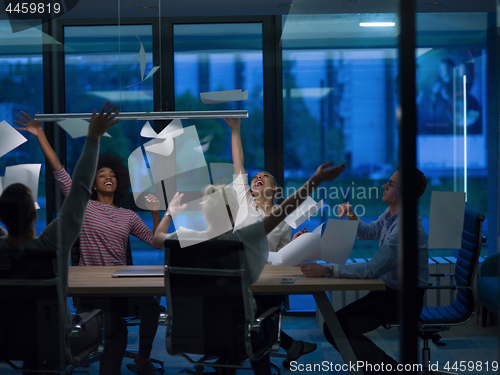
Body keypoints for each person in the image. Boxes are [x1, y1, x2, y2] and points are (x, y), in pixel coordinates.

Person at [153, 161, 346, 375]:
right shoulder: (244, 240)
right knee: (252, 329)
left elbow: (158, 238)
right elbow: (286, 209)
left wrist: (170, 213)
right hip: (243, 328)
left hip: (194, 329)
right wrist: (316, 179)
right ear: (235, 214)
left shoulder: (188, 237)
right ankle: (284, 348)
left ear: (204, 213)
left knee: (243, 323)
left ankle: (230, 366)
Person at [15, 112, 162, 375]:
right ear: (92, 185)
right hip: (91, 286)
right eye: (101, 174)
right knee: (115, 323)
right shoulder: (82, 206)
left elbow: (155, 242)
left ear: (118, 182)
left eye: (112, 175)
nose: (108, 177)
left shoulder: (127, 215)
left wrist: (154, 213)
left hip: (121, 286)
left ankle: (142, 359)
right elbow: (60, 171)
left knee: (152, 306)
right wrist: (41, 136)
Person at [0, 102, 126, 374]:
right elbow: (80, 188)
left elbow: (79, 188)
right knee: (116, 325)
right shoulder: (50, 246)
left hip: (6, 340)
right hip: (56, 339)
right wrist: (93, 137)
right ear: (35, 216)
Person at [300, 167, 429, 374]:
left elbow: (372, 269)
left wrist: (326, 271)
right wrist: (352, 216)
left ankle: (392, 371)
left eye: (390, 184)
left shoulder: (406, 228)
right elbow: (368, 232)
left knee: (336, 327)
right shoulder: (391, 214)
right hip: (386, 293)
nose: (384, 185)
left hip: (403, 300)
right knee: (334, 325)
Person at [224, 117, 316, 368]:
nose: (258, 177)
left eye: (265, 176)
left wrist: (296, 241)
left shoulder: (283, 220)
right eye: (256, 176)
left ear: (275, 189)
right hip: (239, 275)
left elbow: (283, 254)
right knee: (253, 324)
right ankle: (289, 346)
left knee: (255, 323)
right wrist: (236, 131)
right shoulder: (244, 202)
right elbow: (238, 164)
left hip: (267, 278)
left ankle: (236, 360)